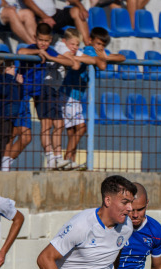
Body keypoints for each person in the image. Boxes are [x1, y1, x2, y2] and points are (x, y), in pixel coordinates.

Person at [57, 27, 124, 169]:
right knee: (81, 128)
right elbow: (102, 65)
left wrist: (105, 56)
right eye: (98, 44)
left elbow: (121, 57)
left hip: (76, 96)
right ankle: (67, 158)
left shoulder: (99, 53)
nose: (100, 48)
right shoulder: (87, 51)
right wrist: (102, 58)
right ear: (90, 41)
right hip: (69, 93)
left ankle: (69, 162)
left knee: (73, 131)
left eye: (103, 46)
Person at [17, 23, 75, 169]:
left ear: (51, 40)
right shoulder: (31, 48)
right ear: (35, 38)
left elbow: (70, 62)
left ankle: (56, 158)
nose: (43, 44)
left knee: (57, 125)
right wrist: (37, 52)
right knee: (34, 127)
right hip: (26, 90)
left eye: (46, 41)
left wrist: (50, 57)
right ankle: (51, 158)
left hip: (43, 91)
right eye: (40, 40)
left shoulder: (50, 51)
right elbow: (20, 52)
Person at [0, 59, 24, 171]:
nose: (13, 69)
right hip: (0, 117)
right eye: (10, 67)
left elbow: (19, 96)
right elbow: (4, 92)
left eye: (13, 66)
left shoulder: (13, 81)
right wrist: (8, 77)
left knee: (3, 143)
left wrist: (19, 84)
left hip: (9, 118)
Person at [24, 0, 92, 45]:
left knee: (77, 11)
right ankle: (40, 53)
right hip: (38, 16)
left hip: (54, 14)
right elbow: (27, 1)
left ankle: (88, 48)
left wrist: (81, 7)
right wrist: (44, 17)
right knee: (43, 25)